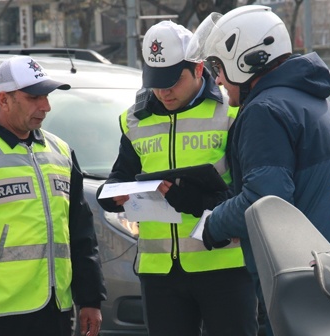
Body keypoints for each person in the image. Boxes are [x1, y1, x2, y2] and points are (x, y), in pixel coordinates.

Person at [187, 5, 330, 334]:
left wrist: (213, 224)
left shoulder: (264, 110)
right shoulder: (317, 103)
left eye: (218, 66)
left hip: (305, 279)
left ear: (246, 60)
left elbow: (266, 200)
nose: (216, 79)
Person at [95, 21, 258, 336]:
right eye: (156, 81)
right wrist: (111, 196)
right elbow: (120, 177)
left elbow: (248, 192)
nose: (163, 91)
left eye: (172, 80)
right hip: (159, 274)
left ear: (198, 70)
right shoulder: (134, 120)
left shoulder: (231, 113)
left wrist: (195, 201)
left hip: (222, 267)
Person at [0, 55, 107, 336]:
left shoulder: (60, 151)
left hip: (55, 310)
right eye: (34, 97)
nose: (45, 106)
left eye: (46, 97)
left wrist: (90, 299)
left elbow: (81, 234)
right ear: (3, 100)